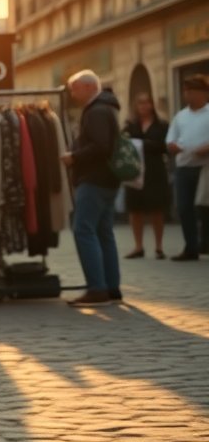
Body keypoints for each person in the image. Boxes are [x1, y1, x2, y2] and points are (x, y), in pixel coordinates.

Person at [62, 70, 122, 305]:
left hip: (94, 179)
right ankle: (111, 287)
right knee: (104, 233)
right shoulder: (106, 108)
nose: (72, 94)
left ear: (89, 87)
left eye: (75, 88)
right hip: (107, 179)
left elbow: (101, 146)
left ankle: (97, 288)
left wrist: (74, 157)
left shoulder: (96, 111)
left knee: (83, 230)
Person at [166, 74, 209, 261]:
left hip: (205, 167)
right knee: (184, 207)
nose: (187, 94)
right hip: (184, 167)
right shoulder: (180, 116)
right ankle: (191, 247)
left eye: (191, 91)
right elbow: (170, 139)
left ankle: (205, 243)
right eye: (186, 91)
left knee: (204, 208)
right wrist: (172, 147)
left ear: (203, 93)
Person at [124, 93, 171, 259]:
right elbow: (123, 143)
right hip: (135, 171)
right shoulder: (130, 125)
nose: (143, 106)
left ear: (152, 105)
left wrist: (144, 144)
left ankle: (159, 247)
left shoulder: (162, 125)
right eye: (140, 103)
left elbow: (165, 146)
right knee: (135, 209)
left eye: (146, 103)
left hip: (154, 170)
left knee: (156, 209)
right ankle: (138, 246)